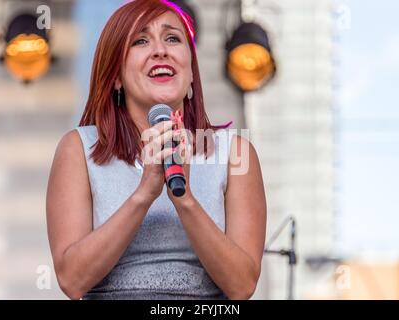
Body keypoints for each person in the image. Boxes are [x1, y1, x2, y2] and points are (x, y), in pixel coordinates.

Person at [46, 0, 266, 300]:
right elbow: (72, 279)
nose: (161, 50)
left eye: (172, 38)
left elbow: (242, 286)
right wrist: (144, 193)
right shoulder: (79, 149)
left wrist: (184, 198)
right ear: (115, 77)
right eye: (140, 40)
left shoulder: (234, 153)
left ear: (191, 75)